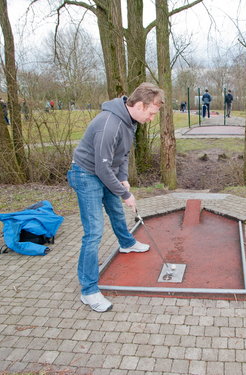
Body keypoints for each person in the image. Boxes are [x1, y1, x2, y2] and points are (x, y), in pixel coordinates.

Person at [67, 82, 165, 312]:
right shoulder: (109, 124)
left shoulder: (130, 122)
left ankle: (127, 243)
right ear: (140, 105)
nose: (151, 118)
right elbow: (101, 169)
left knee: (115, 210)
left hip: (105, 171)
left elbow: (122, 154)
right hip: (85, 174)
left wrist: (123, 178)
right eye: (151, 113)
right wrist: (125, 193)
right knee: (94, 232)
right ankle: (89, 290)